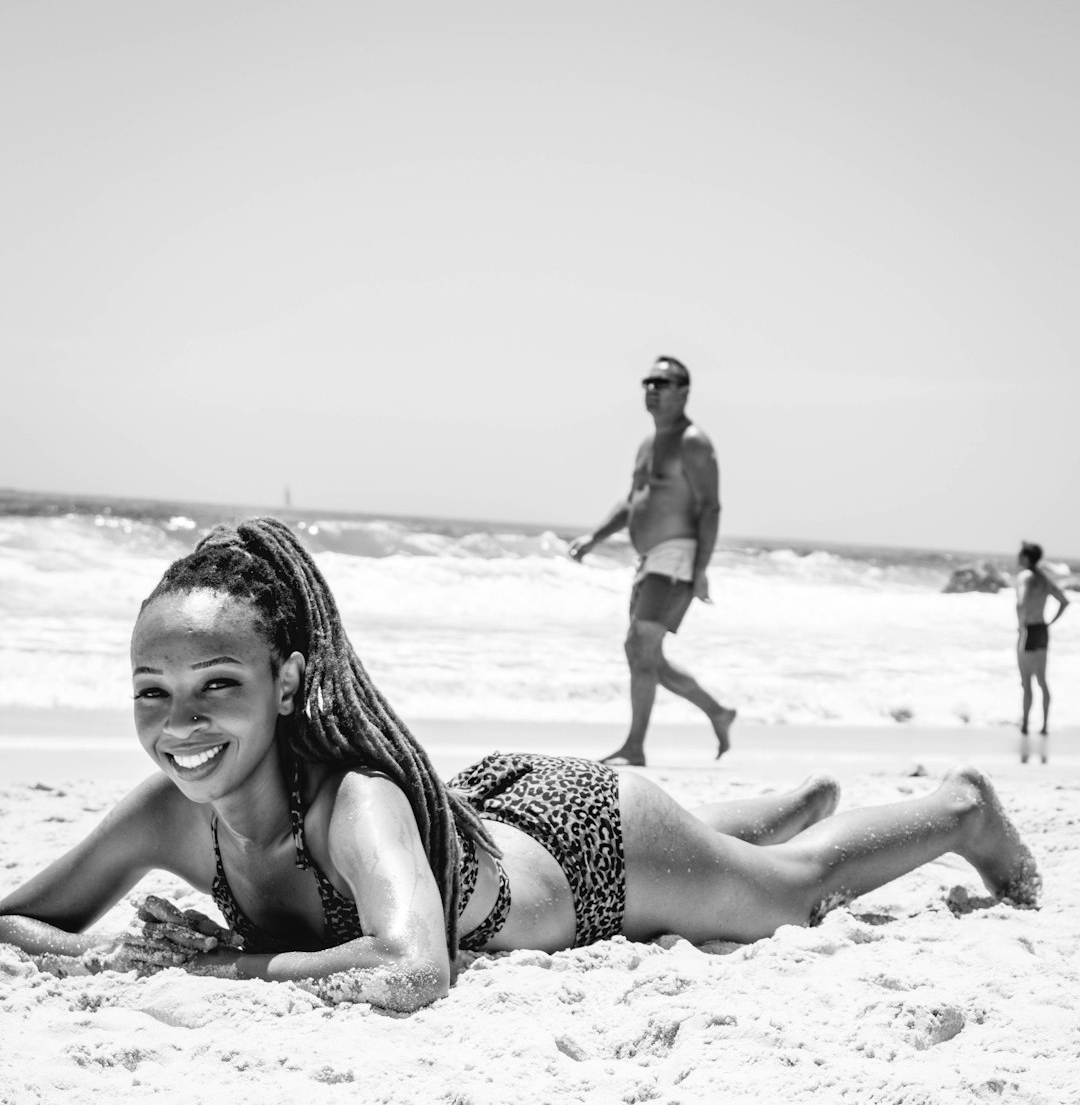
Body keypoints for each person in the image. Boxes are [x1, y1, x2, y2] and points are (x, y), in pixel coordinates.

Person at [0, 519, 1039, 1014]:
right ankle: (758, 812)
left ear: (287, 682)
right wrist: (95, 959)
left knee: (797, 897)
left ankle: (958, 808)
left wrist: (209, 968)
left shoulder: (352, 803)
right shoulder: (168, 813)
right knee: (738, 857)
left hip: (594, 851)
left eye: (216, 684)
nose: (180, 724)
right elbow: (21, 917)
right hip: (485, 811)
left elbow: (412, 967)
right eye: (152, 691)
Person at [568, 355, 735, 766]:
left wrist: (700, 573)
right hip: (648, 560)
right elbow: (634, 501)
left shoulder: (693, 442)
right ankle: (717, 710)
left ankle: (635, 747)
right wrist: (595, 537)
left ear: (684, 391)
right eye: (648, 382)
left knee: (639, 646)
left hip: (678, 558)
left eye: (663, 382)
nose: (653, 389)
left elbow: (710, 509)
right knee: (645, 657)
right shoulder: (649, 444)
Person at [1016, 541, 1068, 737]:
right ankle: (1045, 726)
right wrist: (1050, 623)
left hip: (1028, 630)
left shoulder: (1025, 577)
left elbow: (1021, 602)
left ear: (1027, 558)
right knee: (1042, 681)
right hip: (1042, 630)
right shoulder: (1045, 579)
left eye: (1020, 555)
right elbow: (1064, 601)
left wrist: (1021, 627)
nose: (1018, 558)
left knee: (1026, 683)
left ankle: (1025, 725)